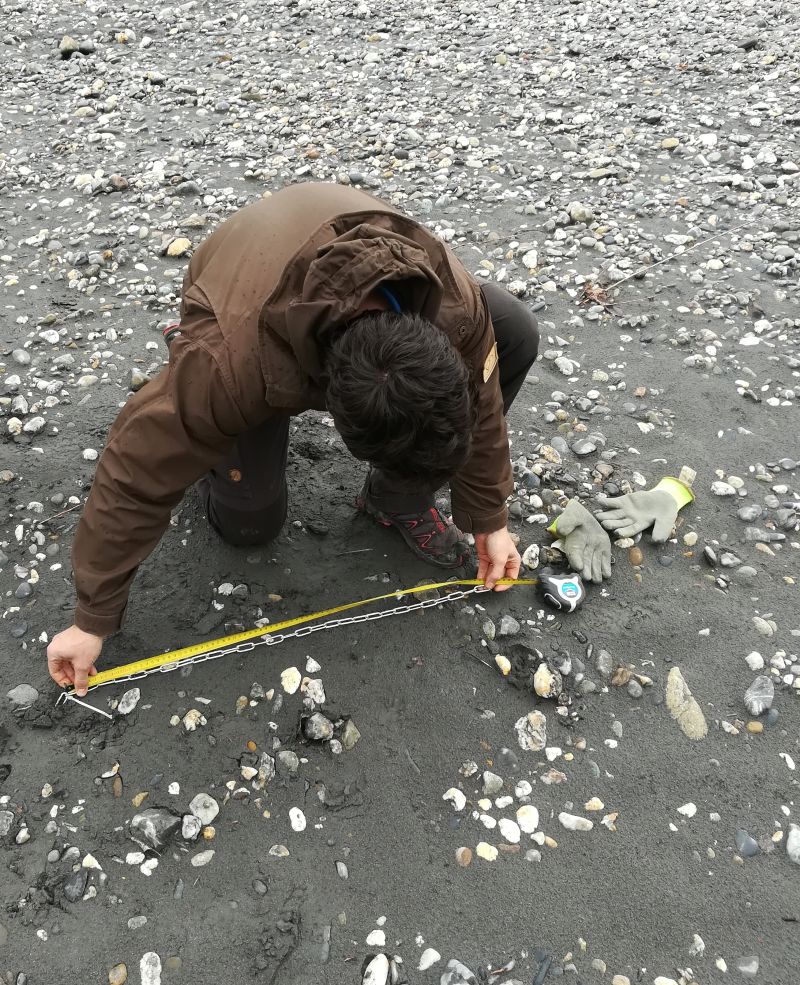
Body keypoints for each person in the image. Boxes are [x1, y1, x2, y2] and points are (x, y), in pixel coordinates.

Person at [47, 182, 540, 696]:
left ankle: (394, 500)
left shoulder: (453, 310)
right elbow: (135, 469)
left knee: (516, 328)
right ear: (330, 405)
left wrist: (489, 518)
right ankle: (186, 357)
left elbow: (479, 402)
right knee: (249, 522)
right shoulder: (233, 363)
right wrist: (92, 619)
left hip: (338, 262)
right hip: (239, 289)